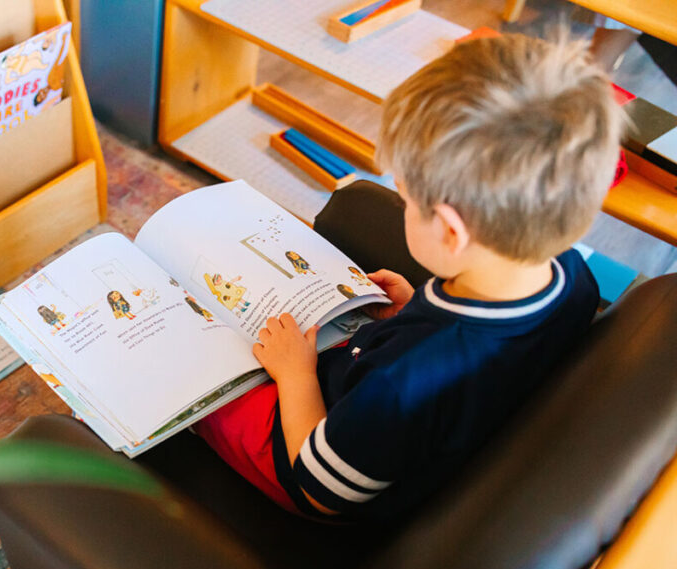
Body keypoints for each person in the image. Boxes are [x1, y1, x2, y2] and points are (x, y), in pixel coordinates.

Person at [195, 33, 624, 520]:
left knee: (200, 376)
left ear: (451, 231)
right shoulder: (572, 277)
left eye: (406, 199)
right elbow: (483, 357)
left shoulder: (402, 381)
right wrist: (412, 309)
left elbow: (321, 489)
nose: (401, 206)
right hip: (375, 407)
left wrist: (295, 377)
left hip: (302, 447)